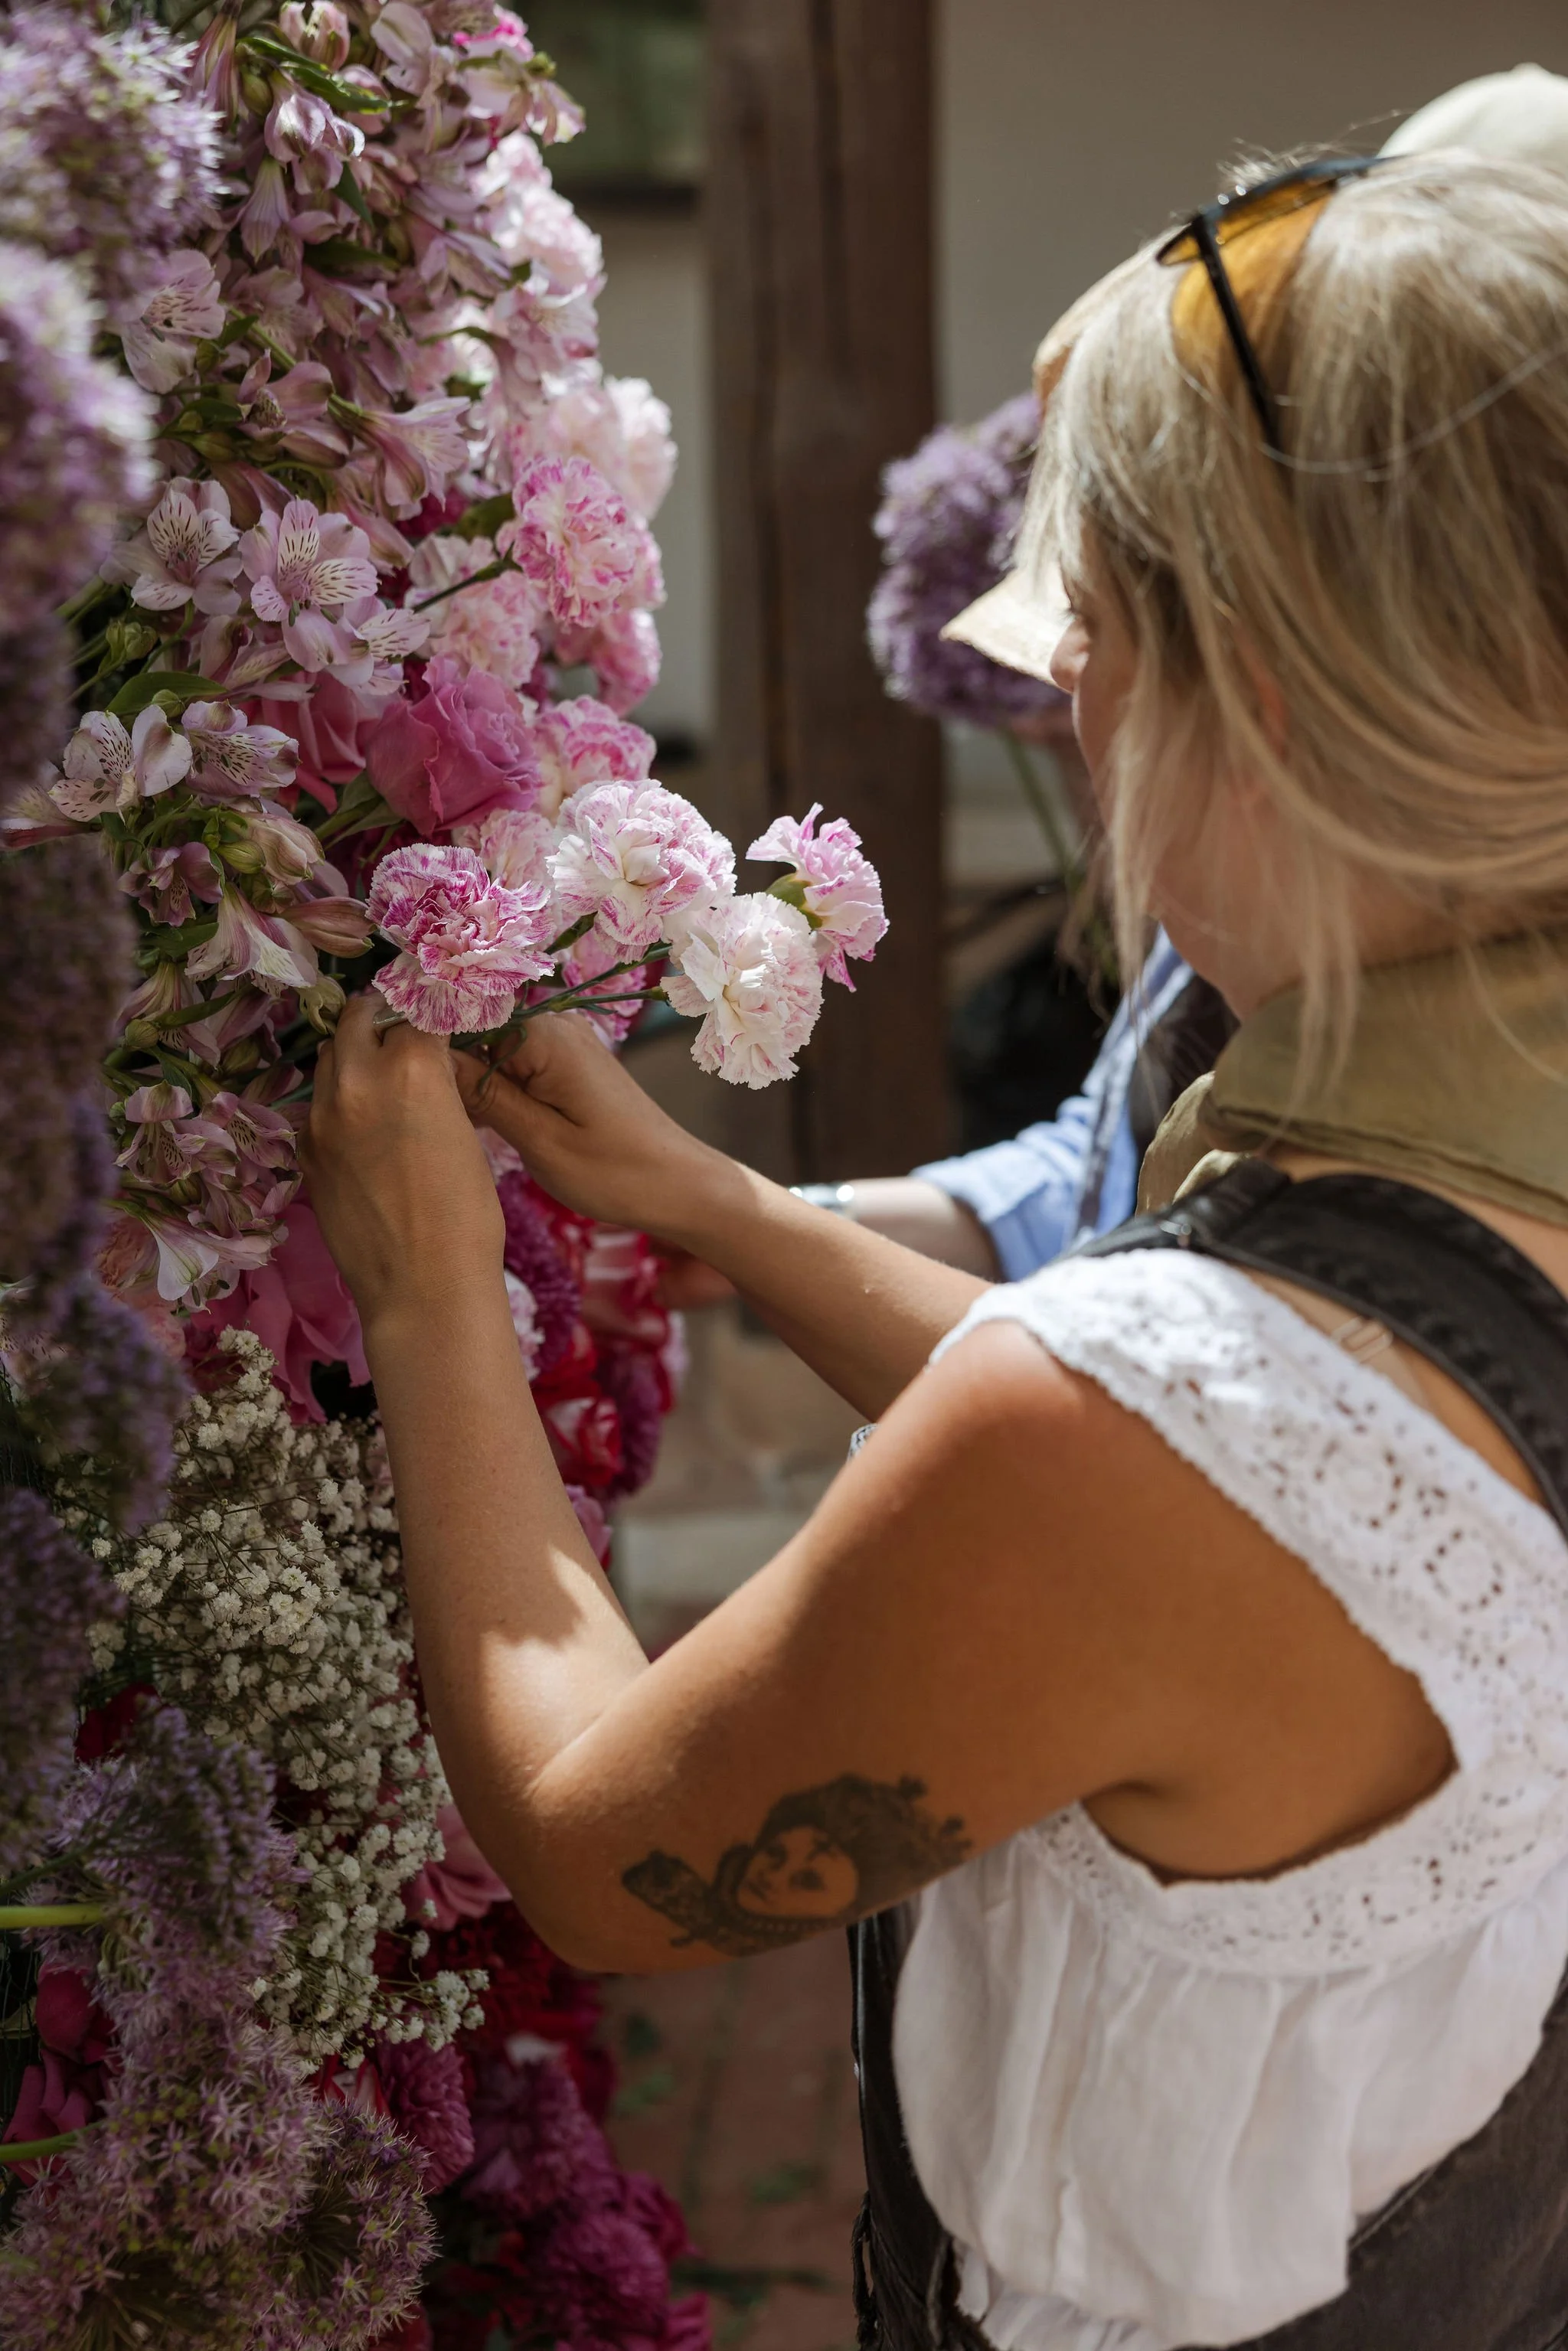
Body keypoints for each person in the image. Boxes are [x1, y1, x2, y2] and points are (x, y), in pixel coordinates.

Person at [308, 149, 1568, 2349]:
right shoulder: (1347, 1307)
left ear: (1246, 694)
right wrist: (727, 1210)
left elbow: (612, 1847)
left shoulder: (1140, 1420)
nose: (1074, 725)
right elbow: (1248, 1495)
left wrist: (429, 1290)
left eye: (1094, 656)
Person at [829, 61, 1568, 1285]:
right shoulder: (1270, 922)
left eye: (1105, 625)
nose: (1064, 673)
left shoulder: (1367, 1189)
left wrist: (445, 1293)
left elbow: (1123, 1396)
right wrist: (745, 1216)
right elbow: (1089, 1171)